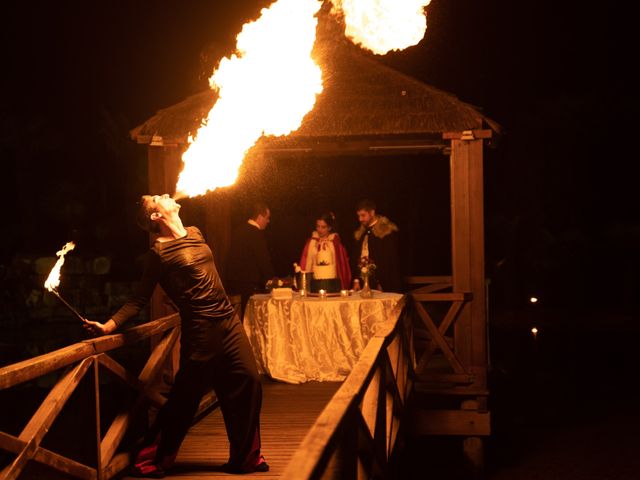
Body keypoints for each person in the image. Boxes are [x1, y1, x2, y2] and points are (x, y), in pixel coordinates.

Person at [83, 194, 268, 476]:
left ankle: (245, 458)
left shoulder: (195, 232)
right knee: (184, 399)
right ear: (155, 217)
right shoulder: (160, 253)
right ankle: (153, 458)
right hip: (201, 330)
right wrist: (108, 326)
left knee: (250, 381)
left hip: (229, 323)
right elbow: (138, 300)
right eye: (157, 198)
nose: (165, 195)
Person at [226, 203, 275, 314]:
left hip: (233, 283)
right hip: (249, 285)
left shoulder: (238, 231)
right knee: (249, 316)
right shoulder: (256, 234)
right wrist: (272, 280)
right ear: (260, 217)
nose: (268, 221)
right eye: (267, 218)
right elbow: (263, 261)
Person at [353, 199, 402, 292]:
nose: (360, 219)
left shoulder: (385, 232)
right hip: (365, 281)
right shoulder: (361, 234)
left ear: (372, 212)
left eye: (363, 215)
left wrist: (380, 282)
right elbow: (358, 257)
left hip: (382, 282)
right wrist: (356, 280)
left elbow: (389, 261)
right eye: (358, 216)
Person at [299, 211, 351, 292]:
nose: (320, 230)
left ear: (329, 227)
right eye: (318, 226)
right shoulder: (311, 243)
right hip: (313, 284)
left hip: (331, 286)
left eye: (323, 227)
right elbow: (304, 262)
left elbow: (342, 266)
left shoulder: (335, 244)